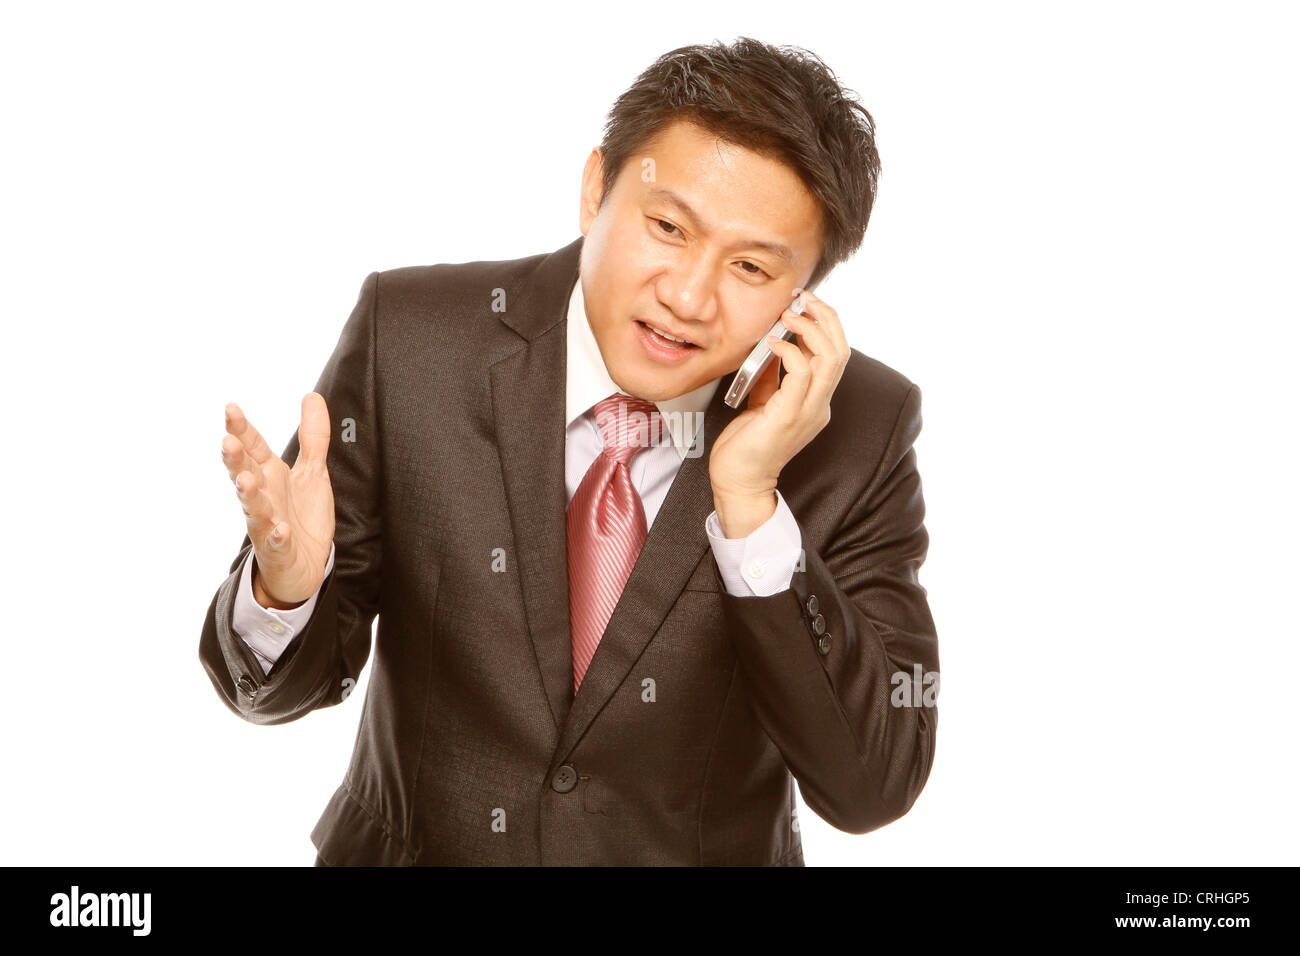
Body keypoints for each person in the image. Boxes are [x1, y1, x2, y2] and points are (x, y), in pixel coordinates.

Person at [200, 36, 940, 866]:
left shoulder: (861, 428)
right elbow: (270, 690)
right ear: (596, 190)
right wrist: (289, 593)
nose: (688, 298)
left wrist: (753, 505)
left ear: (804, 296)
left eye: (750, 267)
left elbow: (874, 783)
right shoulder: (412, 339)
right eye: (667, 226)